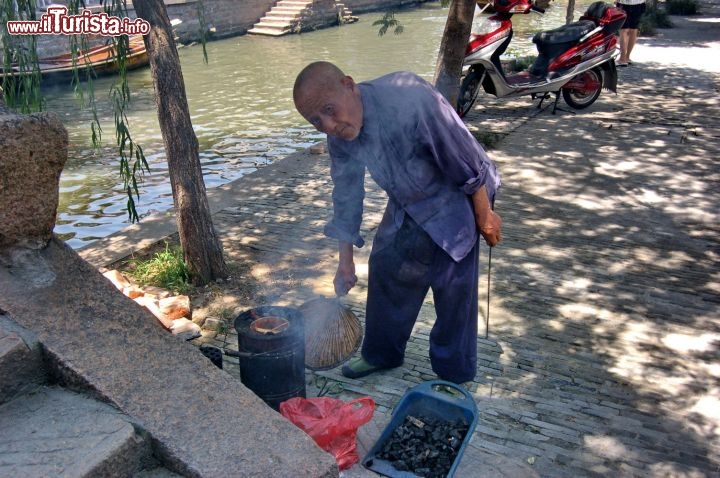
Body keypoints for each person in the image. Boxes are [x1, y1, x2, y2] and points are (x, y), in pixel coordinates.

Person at [293, 61, 502, 384]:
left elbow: (465, 159)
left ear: (349, 84)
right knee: (387, 267)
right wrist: (345, 263)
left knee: (454, 287)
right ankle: (382, 354)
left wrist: (485, 216)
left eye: (329, 110)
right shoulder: (340, 138)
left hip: (458, 191)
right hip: (408, 201)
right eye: (316, 121)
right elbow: (346, 197)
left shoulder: (407, 95)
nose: (329, 125)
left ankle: (452, 376)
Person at [616, 0, 646, 66]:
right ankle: (627, 57)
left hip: (624, 3)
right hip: (639, 3)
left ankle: (622, 59)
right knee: (633, 29)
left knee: (624, 30)